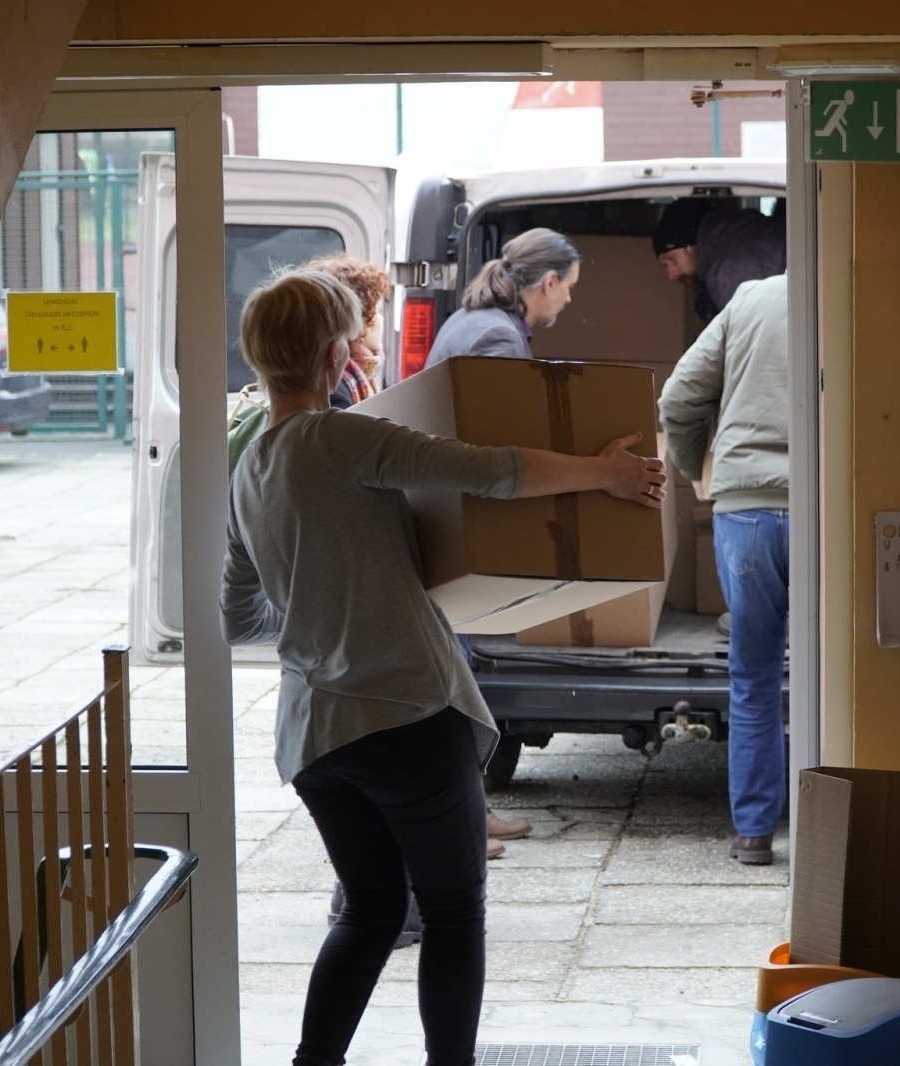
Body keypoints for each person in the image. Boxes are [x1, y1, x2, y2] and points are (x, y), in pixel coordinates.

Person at [220, 269, 664, 1066]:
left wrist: (320, 604)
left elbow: (235, 613)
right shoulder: (341, 437)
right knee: (454, 914)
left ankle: (310, 1063)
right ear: (330, 356)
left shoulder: (247, 468)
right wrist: (607, 475)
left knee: (369, 912)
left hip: (315, 734)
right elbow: (488, 470)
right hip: (402, 717)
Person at [657, 274, 790, 866]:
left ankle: (754, 834)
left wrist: (696, 471)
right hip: (830, 505)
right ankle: (836, 827)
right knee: (846, 675)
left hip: (745, 512)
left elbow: (678, 399)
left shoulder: (750, 299)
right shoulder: (860, 288)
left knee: (754, 676)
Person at [425, 227, 581, 366]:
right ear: (550, 282)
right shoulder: (500, 337)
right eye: (569, 286)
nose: (568, 298)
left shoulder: (467, 316)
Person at [652, 197, 787, 323]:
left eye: (671, 260)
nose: (671, 274)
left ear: (689, 246)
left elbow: (756, 338)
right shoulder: (740, 227)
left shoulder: (726, 276)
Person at [302, 252, 391, 407]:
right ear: (358, 322)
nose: (381, 320)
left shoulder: (340, 377)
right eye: (376, 312)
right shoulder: (335, 388)